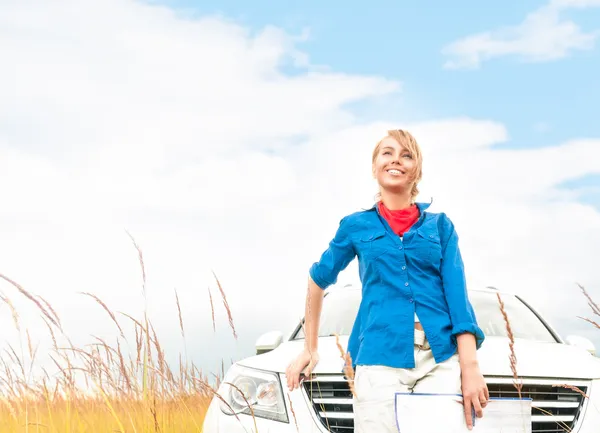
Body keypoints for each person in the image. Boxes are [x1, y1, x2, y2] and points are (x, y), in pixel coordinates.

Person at [285, 129, 489, 432]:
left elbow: (458, 301)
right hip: (378, 357)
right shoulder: (355, 226)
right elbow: (317, 280)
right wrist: (310, 349)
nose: (396, 160)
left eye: (406, 155)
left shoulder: (441, 227)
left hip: (440, 359)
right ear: (374, 167)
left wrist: (470, 368)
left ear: (416, 170)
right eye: (387, 153)